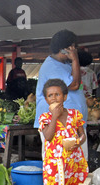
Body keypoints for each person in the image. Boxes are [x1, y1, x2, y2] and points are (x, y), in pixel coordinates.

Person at [38, 79, 88, 185]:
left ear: (65, 97)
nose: (54, 98)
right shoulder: (45, 118)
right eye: (50, 95)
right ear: (46, 99)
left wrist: (79, 142)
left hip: (74, 161)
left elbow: (82, 134)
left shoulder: (75, 114)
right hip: (54, 164)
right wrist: (54, 116)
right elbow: (48, 136)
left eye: (57, 94)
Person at [34, 29, 88, 160]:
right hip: (59, 123)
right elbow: (74, 85)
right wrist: (75, 59)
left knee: (77, 162)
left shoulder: (64, 64)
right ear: (64, 49)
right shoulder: (52, 67)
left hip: (71, 121)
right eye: (73, 47)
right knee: (60, 161)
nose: (74, 49)